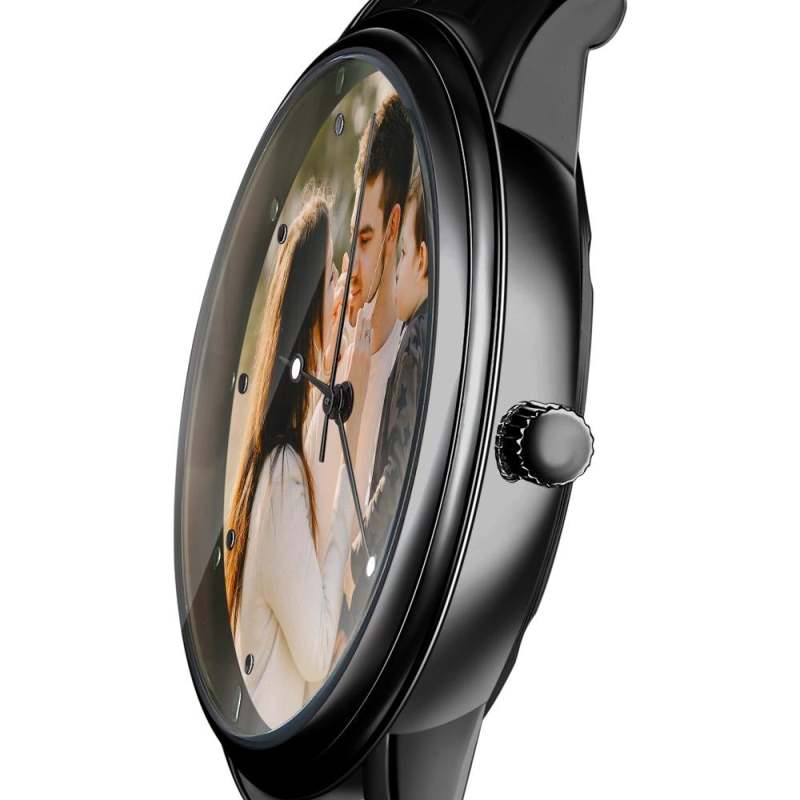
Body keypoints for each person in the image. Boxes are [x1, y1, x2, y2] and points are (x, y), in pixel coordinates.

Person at [225, 190, 370, 729]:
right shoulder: (282, 473)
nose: (341, 289)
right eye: (331, 276)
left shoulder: (280, 460)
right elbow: (313, 651)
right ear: (308, 311)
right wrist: (343, 520)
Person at [346, 162, 429, 630]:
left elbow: (396, 470)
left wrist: (359, 555)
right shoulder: (430, 337)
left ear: (421, 261)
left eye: (401, 256)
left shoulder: (414, 343)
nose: (395, 270)